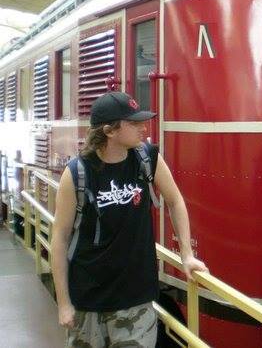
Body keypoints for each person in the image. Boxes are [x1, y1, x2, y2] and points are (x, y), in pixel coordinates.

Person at [50, 91, 208, 347]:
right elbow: (60, 238)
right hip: (87, 300)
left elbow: (175, 200)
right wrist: (64, 303)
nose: (143, 128)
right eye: (134, 123)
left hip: (136, 298)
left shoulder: (147, 159)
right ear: (109, 131)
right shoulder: (78, 173)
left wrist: (187, 255)